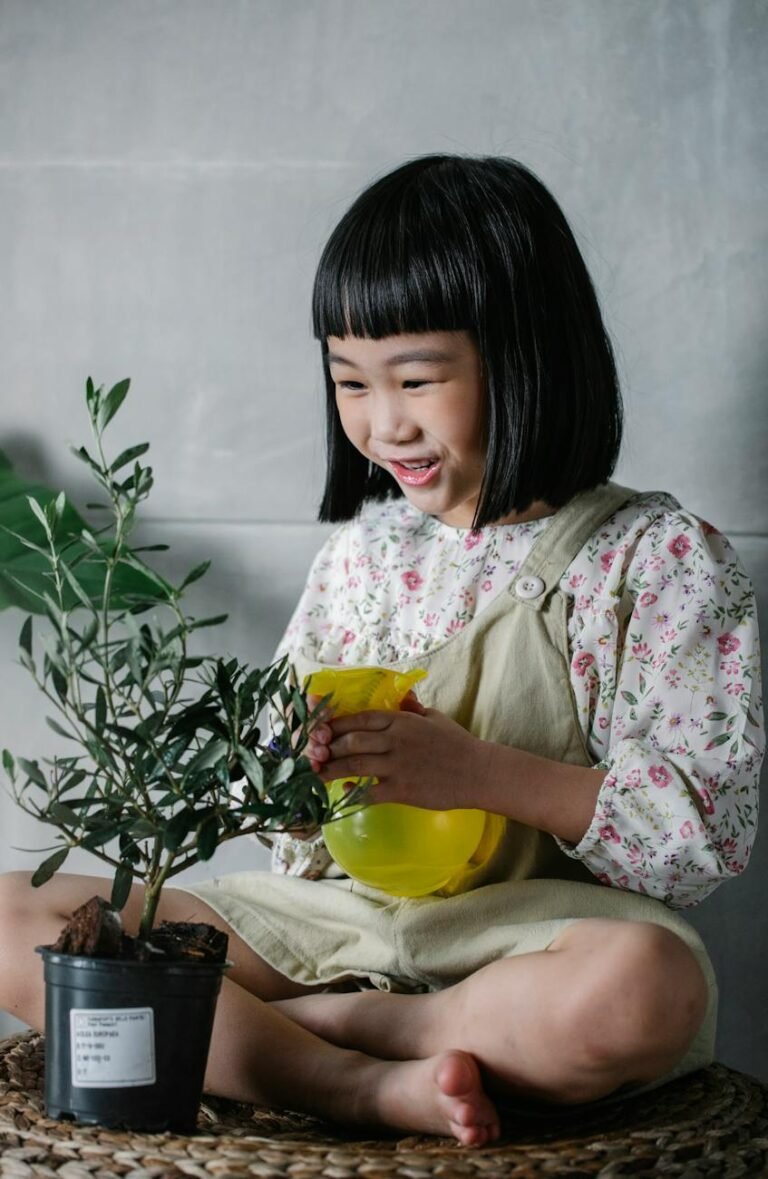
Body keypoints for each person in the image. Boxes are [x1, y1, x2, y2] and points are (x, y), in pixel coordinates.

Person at [0, 155, 762, 1148]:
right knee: (20, 918)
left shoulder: (655, 561)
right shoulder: (362, 555)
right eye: (350, 382)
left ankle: (313, 1040)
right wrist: (283, 768)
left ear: (527, 355)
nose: (381, 422)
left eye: (416, 378)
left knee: (641, 989)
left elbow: (703, 834)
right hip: (332, 925)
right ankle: (350, 1080)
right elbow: (275, 818)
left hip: (530, 940)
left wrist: (480, 773)